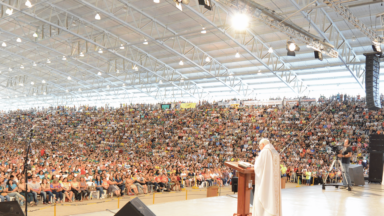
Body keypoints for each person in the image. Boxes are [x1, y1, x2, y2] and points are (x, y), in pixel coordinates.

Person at [251, 138, 282, 216]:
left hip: (265, 180)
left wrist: (256, 160)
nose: (259, 147)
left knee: (264, 196)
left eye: (259, 145)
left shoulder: (265, 151)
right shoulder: (275, 151)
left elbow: (258, 166)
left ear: (263, 144)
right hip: (272, 180)